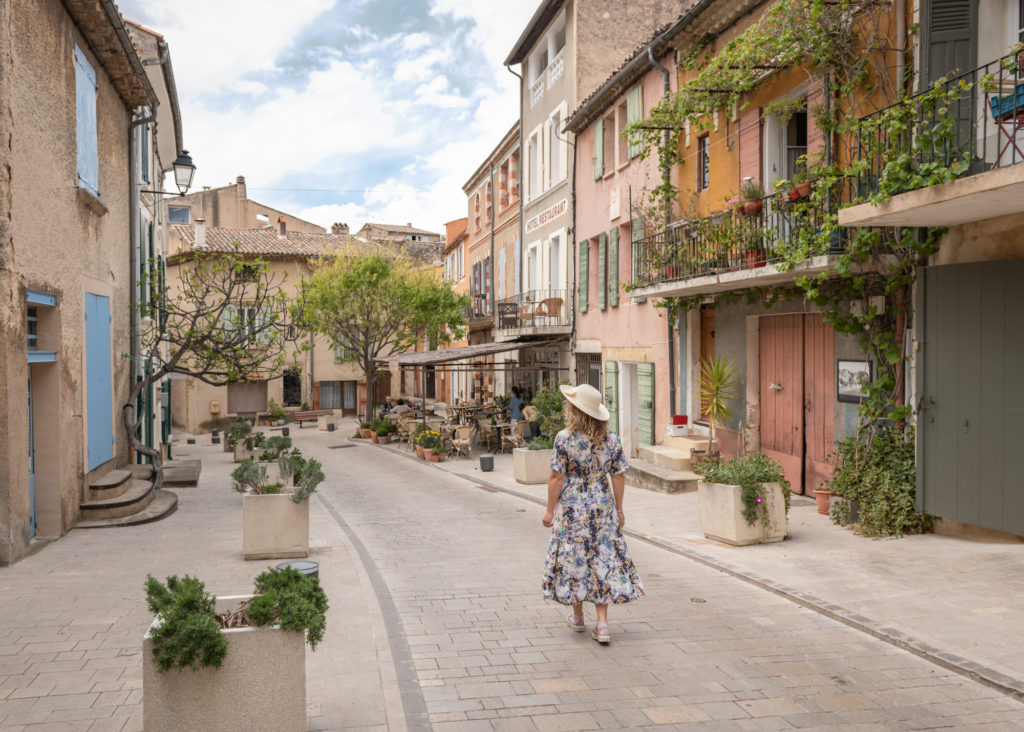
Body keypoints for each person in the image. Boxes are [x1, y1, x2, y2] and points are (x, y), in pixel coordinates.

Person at [542, 383, 644, 643]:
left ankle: (578, 618)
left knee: (576, 559)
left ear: (574, 411)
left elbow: (556, 477)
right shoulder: (612, 439)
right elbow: (618, 476)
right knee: (602, 560)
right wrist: (619, 510)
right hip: (603, 507)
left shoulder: (564, 438)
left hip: (573, 510)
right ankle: (602, 625)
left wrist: (549, 511)